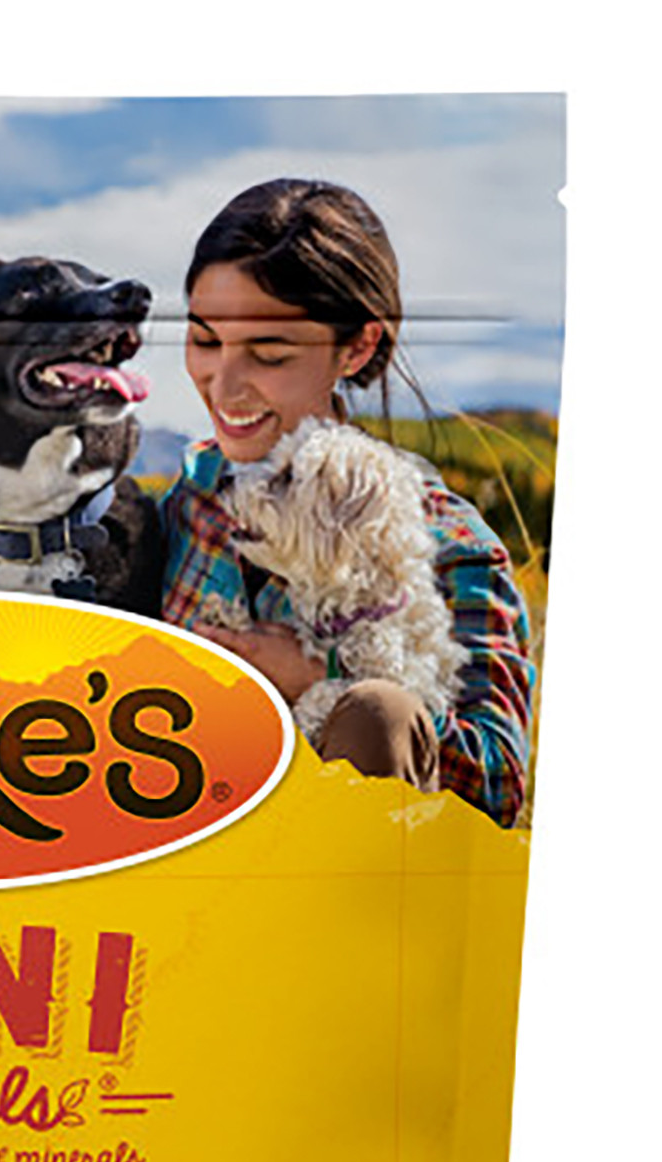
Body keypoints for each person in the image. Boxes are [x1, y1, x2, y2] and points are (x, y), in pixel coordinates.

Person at [163, 179, 535, 827]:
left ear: (357, 347)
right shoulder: (188, 503)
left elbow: (498, 780)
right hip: (183, 857)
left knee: (380, 713)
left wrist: (323, 683)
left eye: (268, 354)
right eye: (205, 341)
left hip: (345, 872)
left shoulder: (448, 546)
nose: (223, 385)